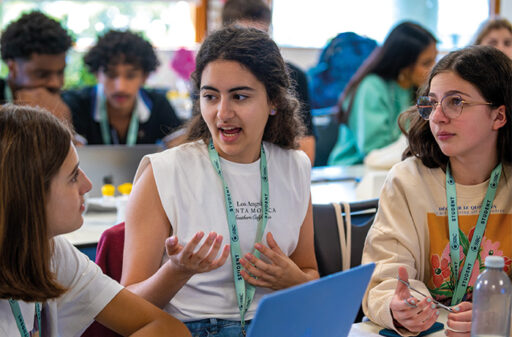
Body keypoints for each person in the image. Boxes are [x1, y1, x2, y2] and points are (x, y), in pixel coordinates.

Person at [121, 27, 319, 337]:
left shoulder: (295, 166)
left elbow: (309, 273)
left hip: (275, 325)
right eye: (210, 96)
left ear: (273, 101)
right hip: (191, 330)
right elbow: (127, 310)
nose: (222, 113)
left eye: (240, 96)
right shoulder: (163, 172)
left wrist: (291, 278)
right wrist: (177, 271)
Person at [0, 104, 191, 336]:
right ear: (28, 192)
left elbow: (168, 329)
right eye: (72, 177)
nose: (87, 185)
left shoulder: (49, 250)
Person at [361, 45, 512, 336]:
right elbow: (385, 280)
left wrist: (499, 314)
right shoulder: (407, 181)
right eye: (432, 103)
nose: (438, 117)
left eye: (456, 102)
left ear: (499, 116)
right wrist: (402, 306)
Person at [328, 21, 437, 166]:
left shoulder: (417, 89)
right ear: (404, 63)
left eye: (435, 59)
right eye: (426, 63)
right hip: (354, 169)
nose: (433, 69)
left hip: (394, 167)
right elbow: (372, 150)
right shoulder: (372, 87)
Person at [221, 0, 317, 165]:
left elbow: (306, 146)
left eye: (260, 36)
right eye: (243, 37)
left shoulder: (293, 76)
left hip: (278, 172)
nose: (251, 48)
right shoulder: (212, 79)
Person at [62, 29, 182, 146]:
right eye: (111, 74)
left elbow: (180, 145)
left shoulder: (157, 104)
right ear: (97, 74)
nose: (120, 87)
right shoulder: (76, 104)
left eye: (130, 76)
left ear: (144, 77)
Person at [0, 11, 73, 124]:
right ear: (13, 68)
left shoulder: (70, 103)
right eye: (42, 74)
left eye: (60, 72)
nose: (56, 83)